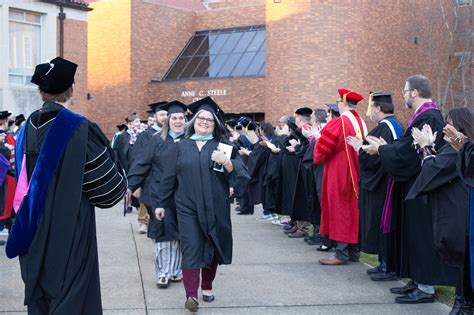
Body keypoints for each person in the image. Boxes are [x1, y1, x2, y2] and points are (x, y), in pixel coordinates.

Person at [5, 57, 127, 314]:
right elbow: (109, 191)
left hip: (31, 224)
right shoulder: (78, 129)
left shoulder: (25, 129)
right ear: (70, 90)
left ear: (41, 91)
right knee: (71, 293)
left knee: (40, 290)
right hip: (71, 227)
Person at [363, 75, 457, 303]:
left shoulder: (430, 116)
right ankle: (417, 280)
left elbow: (409, 153)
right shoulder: (423, 115)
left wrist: (383, 151)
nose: (404, 95)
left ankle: (425, 288)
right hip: (415, 184)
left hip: (422, 186)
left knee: (421, 234)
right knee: (413, 235)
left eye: (405, 91)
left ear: (414, 92)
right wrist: (387, 149)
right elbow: (407, 147)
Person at [154, 96, 249, 312]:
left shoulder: (224, 147)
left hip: (217, 207)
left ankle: (207, 285)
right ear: (193, 120)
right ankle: (191, 295)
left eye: (210, 120)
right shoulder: (180, 147)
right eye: (201, 118)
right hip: (187, 207)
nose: (205, 122)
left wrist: (228, 163)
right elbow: (168, 177)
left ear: (215, 124)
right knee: (191, 247)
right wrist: (160, 203)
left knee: (212, 246)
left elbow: (243, 177)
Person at [128, 101, 187, 288]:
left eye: (181, 118)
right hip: (159, 193)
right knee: (162, 233)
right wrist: (131, 186)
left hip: (183, 194)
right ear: (167, 120)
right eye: (174, 118)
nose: (178, 121)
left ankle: (176, 270)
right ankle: (163, 273)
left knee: (178, 234)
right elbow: (142, 163)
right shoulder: (156, 140)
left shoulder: (189, 140)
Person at [347, 92, 403, 281]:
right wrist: (363, 147)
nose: (370, 112)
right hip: (387, 181)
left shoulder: (385, 128)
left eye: (372, 107)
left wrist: (359, 149)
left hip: (383, 185)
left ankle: (388, 266)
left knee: (383, 223)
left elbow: (377, 158)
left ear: (378, 108)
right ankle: (383, 264)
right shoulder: (395, 126)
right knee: (383, 224)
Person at [314, 88, 367, 265]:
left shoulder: (340, 122)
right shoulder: (360, 121)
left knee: (340, 210)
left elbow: (323, 148)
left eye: (338, 101)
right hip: (356, 172)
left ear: (343, 103)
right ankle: (353, 251)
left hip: (340, 172)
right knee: (352, 210)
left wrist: (317, 156)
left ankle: (341, 253)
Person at [131, 101, 168, 234]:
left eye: (167, 114)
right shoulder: (146, 135)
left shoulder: (174, 135)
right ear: (155, 116)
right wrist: (137, 184)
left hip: (168, 183)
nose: (165, 117)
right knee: (155, 218)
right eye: (162, 114)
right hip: (150, 183)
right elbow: (137, 160)